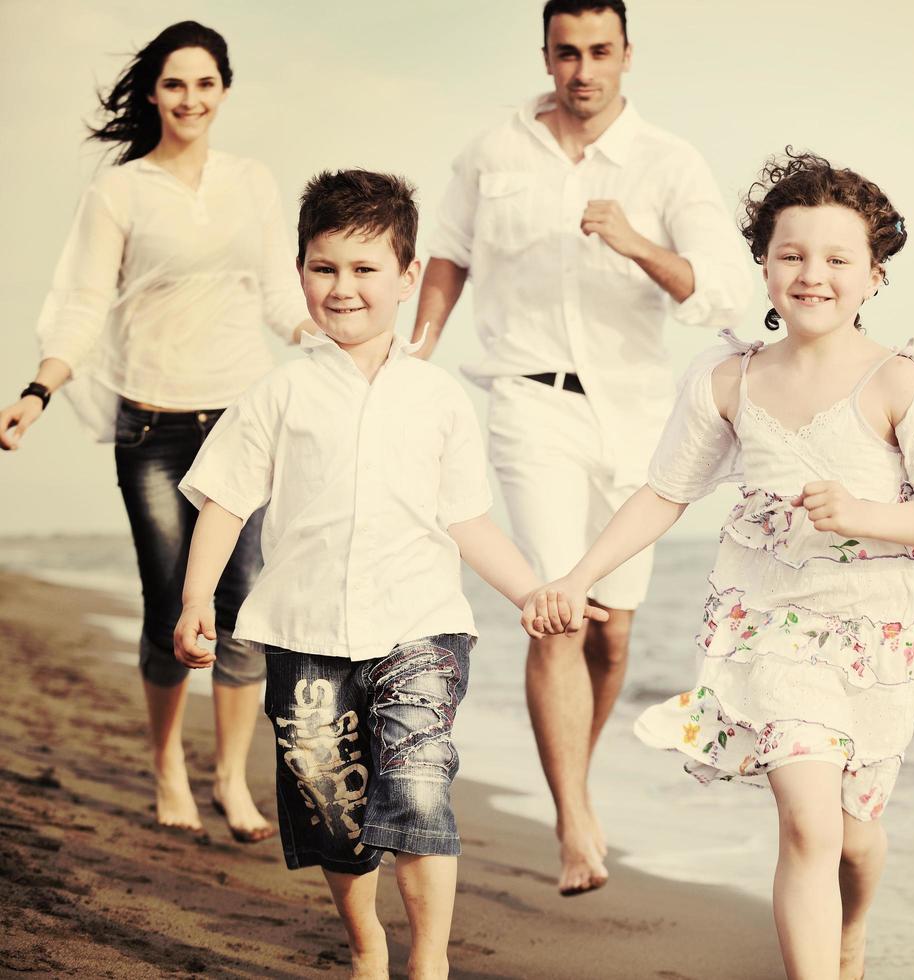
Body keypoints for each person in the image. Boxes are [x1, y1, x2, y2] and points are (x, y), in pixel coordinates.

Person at [522, 151, 914, 980]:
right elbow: (664, 494)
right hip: (769, 625)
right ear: (763, 264)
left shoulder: (903, 382)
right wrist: (578, 576)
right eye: (792, 254)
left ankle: (851, 932)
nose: (814, 275)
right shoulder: (729, 379)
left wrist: (863, 513)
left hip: (878, 638)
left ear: (875, 275)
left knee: (855, 829)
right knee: (806, 819)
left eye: (839, 259)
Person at [172, 170, 558, 980]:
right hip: (303, 629)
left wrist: (529, 591)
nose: (342, 288)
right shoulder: (279, 393)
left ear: (407, 277)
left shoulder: (439, 398)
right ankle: (366, 946)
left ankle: (430, 961)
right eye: (324, 268)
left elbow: (467, 520)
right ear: (302, 272)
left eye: (364, 268)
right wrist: (198, 596)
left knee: (419, 786)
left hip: (420, 623)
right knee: (332, 809)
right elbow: (226, 502)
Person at [413, 0, 752, 894]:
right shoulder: (494, 150)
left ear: (628, 54)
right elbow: (447, 254)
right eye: (567, 53)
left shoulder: (668, 162)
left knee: (613, 632)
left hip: (637, 418)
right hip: (529, 402)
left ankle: (579, 776)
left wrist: (636, 241)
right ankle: (571, 820)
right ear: (546, 55)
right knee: (558, 605)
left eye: (600, 51)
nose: (583, 70)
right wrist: (417, 355)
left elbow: (719, 291)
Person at [0, 21, 311, 842]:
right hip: (153, 425)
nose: (191, 99)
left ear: (225, 91)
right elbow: (82, 303)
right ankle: (169, 761)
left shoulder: (252, 182)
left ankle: (229, 779)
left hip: (242, 422)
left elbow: (283, 297)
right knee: (173, 601)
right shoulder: (122, 191)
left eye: (205, 84)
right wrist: (38, 388)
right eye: (175, 84)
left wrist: (333, 335)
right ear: (152, 93)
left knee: (244, 605)